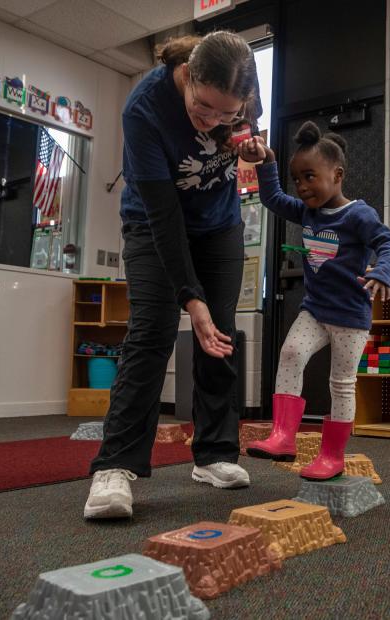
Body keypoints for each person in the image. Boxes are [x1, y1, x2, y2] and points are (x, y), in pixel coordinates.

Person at [83, 32, 262, 520]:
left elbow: (247, 135)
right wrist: (190, 297)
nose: (213, 121)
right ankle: (116, 465)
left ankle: (216, 454)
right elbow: (164, 217)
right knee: (152, 332)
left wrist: (247, 148)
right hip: (152, 223)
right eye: (203, 108)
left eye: (227, 113)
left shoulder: (244, 88)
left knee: (219, 334)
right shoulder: (144, 109)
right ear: (187, 76)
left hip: (220, 224)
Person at [238, 122, 390, 480]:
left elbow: (387, 243)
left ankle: (332, 455)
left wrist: (381, 272)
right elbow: (272, 198)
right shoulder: (308, 211)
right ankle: (282, 435)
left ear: (337, 175)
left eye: (310, 176)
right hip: (315, 309)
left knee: (340, 383)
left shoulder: (358, 214)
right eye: (297, 179)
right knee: (291, 353)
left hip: (350, 315)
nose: (302, 186)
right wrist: (267, 162)